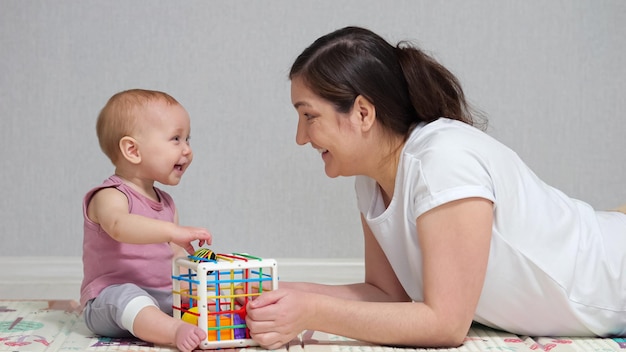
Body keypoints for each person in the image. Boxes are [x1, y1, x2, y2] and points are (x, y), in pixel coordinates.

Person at [245, 26, 626, 349]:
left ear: (363, 113)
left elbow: (446, 324)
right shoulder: (370, 178)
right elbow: (386, 295)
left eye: (309, 116)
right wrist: (282, 293)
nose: (300, 137)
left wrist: (311, 311)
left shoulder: (442, 161)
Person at [80, 89, 213, 352]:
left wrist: (198, 271)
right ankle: (173, 331)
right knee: (127, 296)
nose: (187, 149)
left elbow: (172, 255)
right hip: (108, 301)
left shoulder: (166, 202)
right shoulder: (109, 196)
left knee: (195, 298)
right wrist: (172, 231)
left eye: (188, 138)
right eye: (176, 138)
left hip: (159, 298)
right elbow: (120, 227)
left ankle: (178, 321)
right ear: (132, 150)